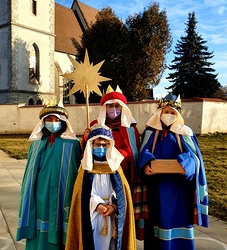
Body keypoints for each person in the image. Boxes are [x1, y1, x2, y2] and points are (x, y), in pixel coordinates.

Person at [136, 93, 208, 250]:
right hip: (156, 190)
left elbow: (196, 159)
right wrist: (145, 164)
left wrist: (185, 165)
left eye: (172, 113)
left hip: (179, 190)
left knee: (178, 222)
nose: (168, 115)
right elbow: (143, 153)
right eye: (165, 112)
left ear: (178, 114)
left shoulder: (186, 133)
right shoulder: (150, 132)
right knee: (157, 224)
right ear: (159, 113)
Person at [16, 101, 81, 250]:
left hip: (64, 191)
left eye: (57, 120)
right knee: (42, 218)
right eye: (49, 120)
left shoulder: (73, 144)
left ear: (64, 122)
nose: (53, 123)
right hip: (41, 191)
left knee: (61, 219)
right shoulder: (36, 143)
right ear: (43, 122)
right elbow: (30, 173)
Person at [65, 124, 136, 250]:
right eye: (98, 145)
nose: (101, 147)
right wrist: (97, 205)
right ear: (91, 145)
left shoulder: (115, 168)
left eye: (105, 145)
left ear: (110, 146)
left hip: (112, 216)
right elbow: (82, 193)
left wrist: (114, 206)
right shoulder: (85, 169)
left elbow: (121, 192)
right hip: (93, 214)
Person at [81, 85, 140, 193]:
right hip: (100, 173)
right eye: (110, 106)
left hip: (123, 170)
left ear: (122, 107)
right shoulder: (95, 125)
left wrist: (114, 156)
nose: (114, 109)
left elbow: (133, 152)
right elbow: (87, 151)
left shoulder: (130, 128)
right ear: (105, 108)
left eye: (117, 106)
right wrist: (86, 139)